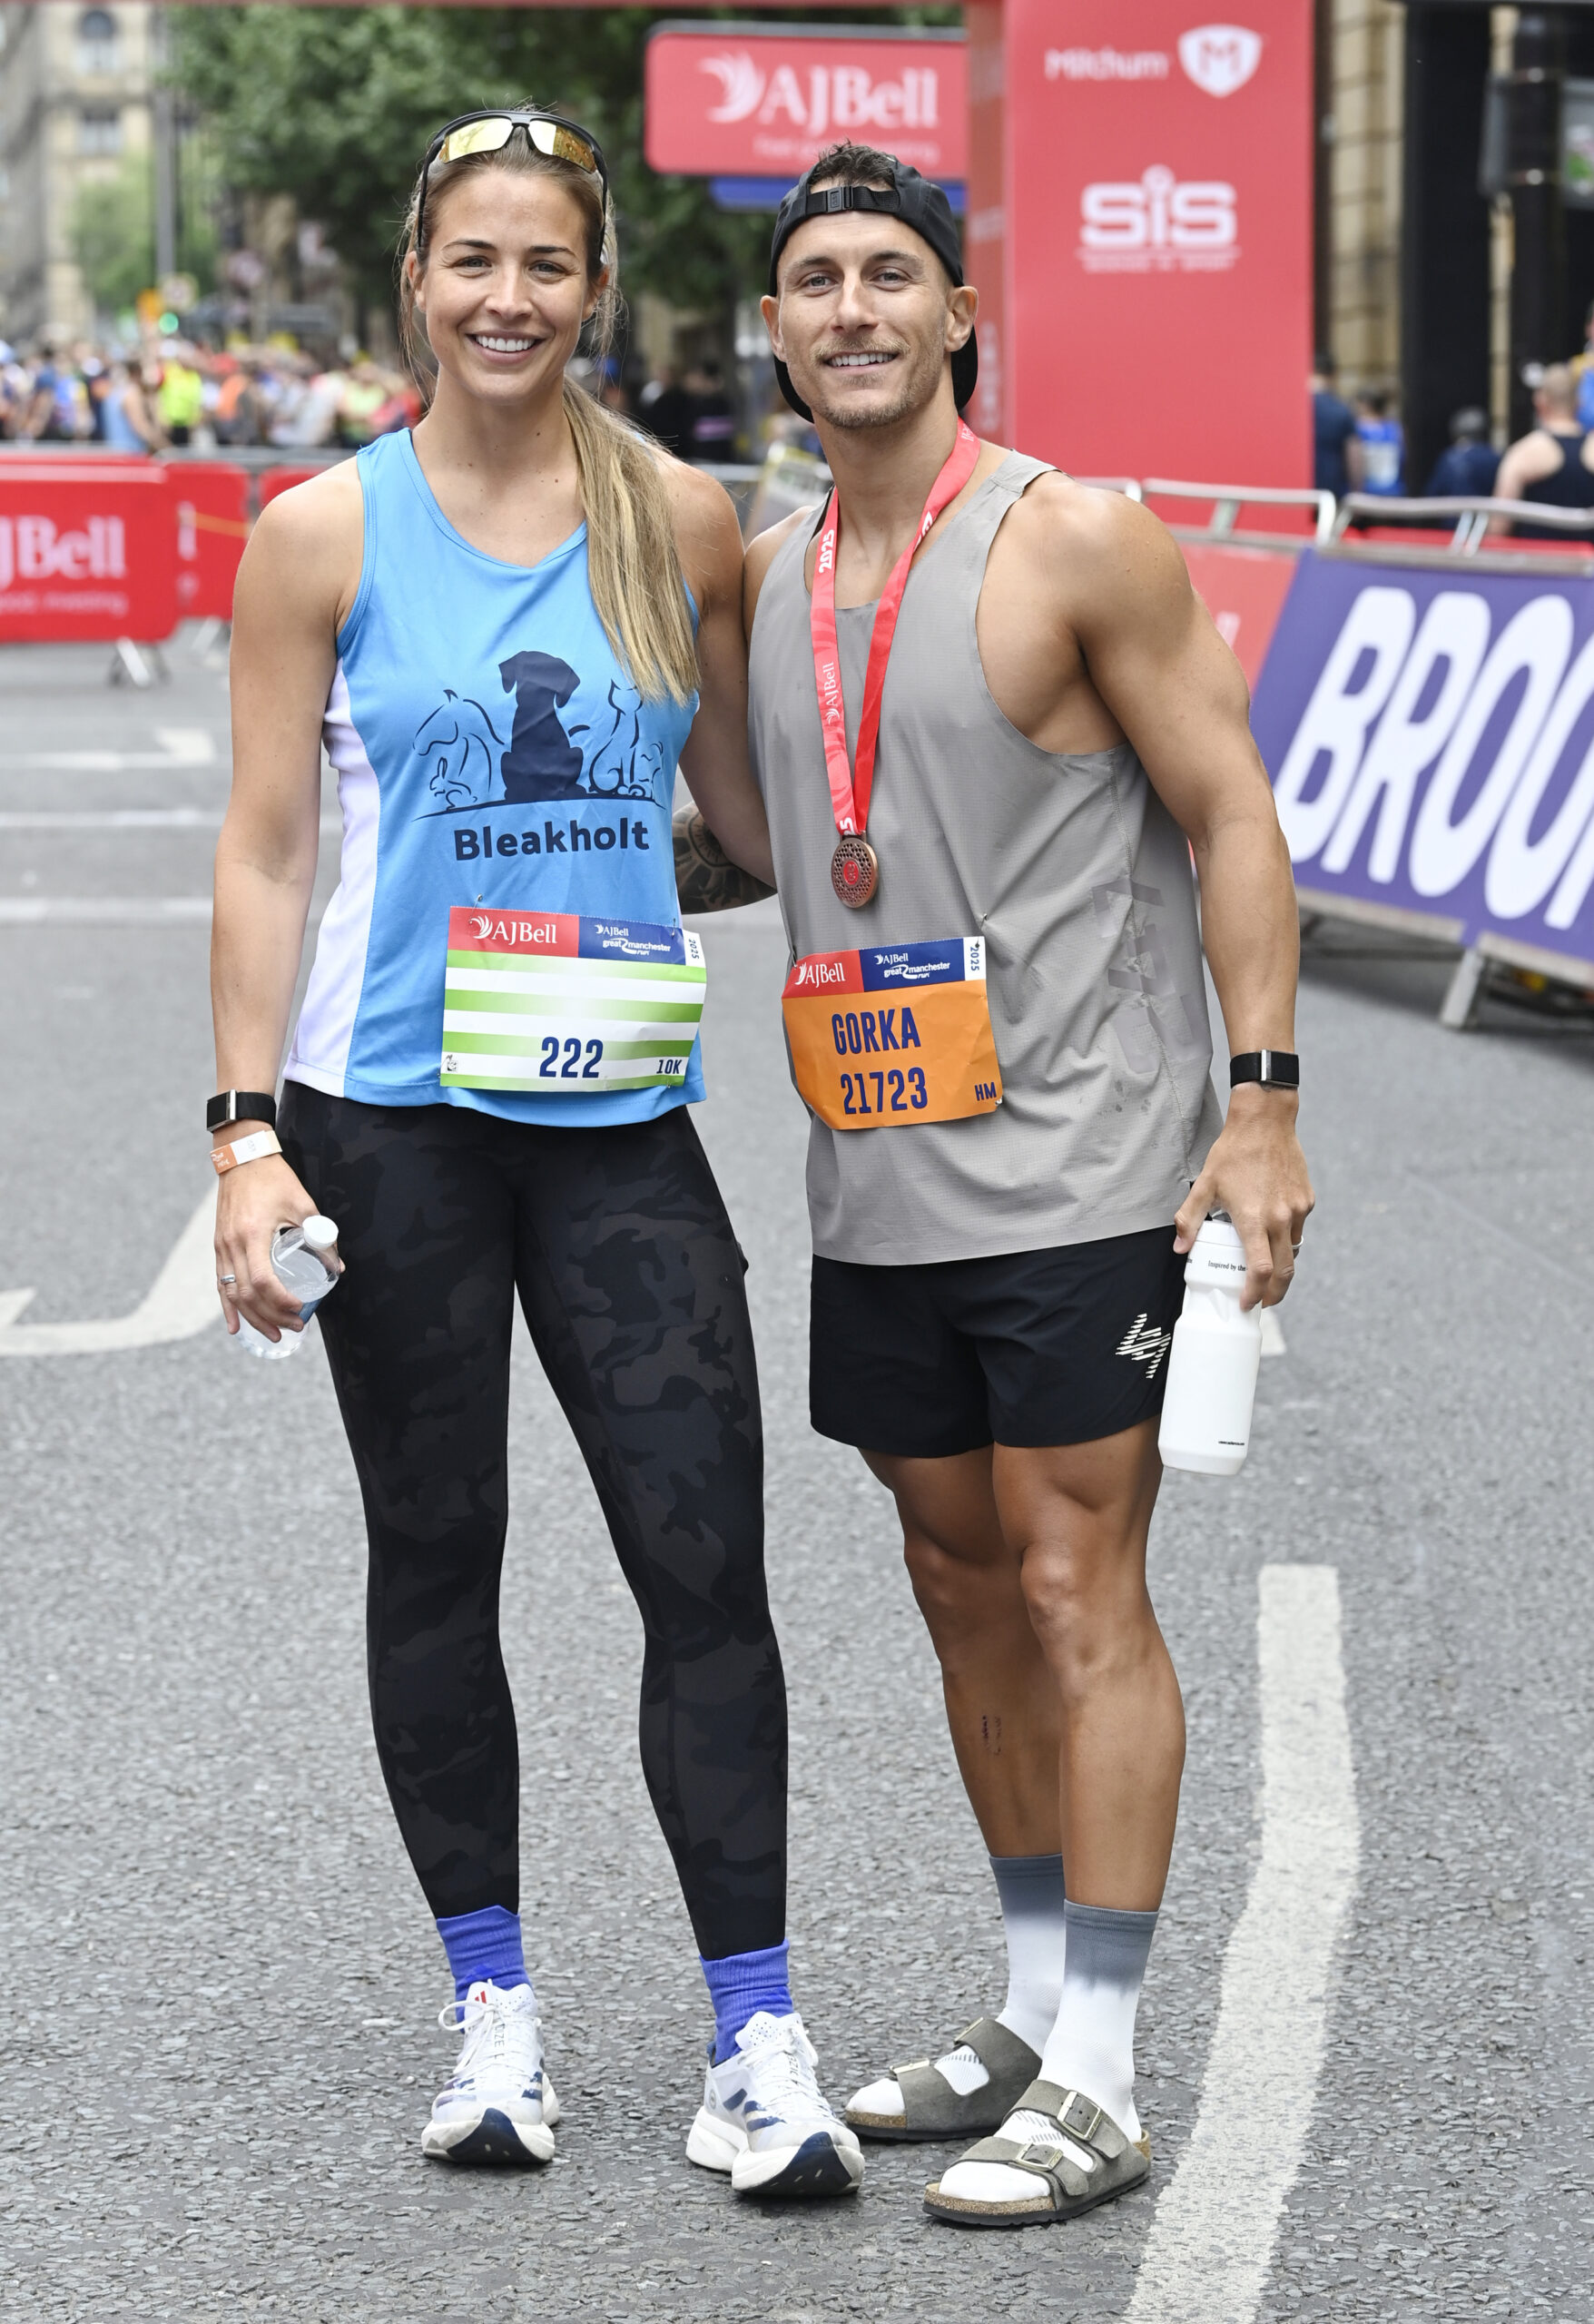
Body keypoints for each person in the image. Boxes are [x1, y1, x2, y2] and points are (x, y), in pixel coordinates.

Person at [210, 103, 862, 2200]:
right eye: (473, 261)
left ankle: (752, 2033)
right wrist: (244, 1137)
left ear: (595, 286)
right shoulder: (318, 531)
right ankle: (490, 2010)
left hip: (612, 1123)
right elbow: (265, 848)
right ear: (418, 279)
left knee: (704, 1561)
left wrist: (964, 832)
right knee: (436, 1552)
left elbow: (750, 820)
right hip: (384, 1118)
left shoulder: (679, 516)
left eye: (546, 264)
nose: (509, 298)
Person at [735, 143, 1312, 2229]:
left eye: (890, 273)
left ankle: (1103, 2070)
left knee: (1077, 1584)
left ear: (957, 312)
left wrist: (1257, 1103)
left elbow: (1227, 810)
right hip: (874, 1178)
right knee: (957, 1581)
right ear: (773, 326)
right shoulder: (769, 574)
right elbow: (748, 837)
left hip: (1083, 1167)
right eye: (815, 278)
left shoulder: (1074, 535)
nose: (853, 308)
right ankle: (1031, 2000)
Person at [1491, 362, 1594, 537]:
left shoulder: (1524, 454)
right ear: (1578, 402)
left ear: (1540, 401)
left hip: (1538, 553)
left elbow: (1498, 528)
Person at [1423, 407, 1499, 499]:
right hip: (1488, 508)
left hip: (1454, 508)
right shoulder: (1495, 457)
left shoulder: (1449, 458)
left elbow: (1433, 494)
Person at [1311, 352, 1357, 497]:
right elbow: (1354, 455)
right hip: (1331, 490)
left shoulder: (1295, 410)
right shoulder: (1341, 409)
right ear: (1332, 375)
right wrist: (1357, 491)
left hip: (1297, 491)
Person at [1352, 388, 1404, 496]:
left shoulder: (1358, 429)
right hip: (1393, 491)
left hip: (1366, 493)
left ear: (1365, 405)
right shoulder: (1395, 429)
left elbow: (1354, 463)